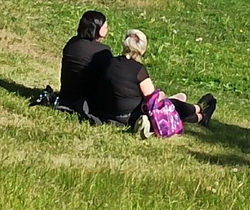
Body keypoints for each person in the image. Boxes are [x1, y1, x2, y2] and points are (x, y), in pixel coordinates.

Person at [87, 29, 215, 132]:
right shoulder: (138, 70)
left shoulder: (110, 62)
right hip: (129, 117)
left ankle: (200, 117)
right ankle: (198, 109)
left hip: (105, 113)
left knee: (171, 105)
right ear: (142, 49)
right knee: (170, 106)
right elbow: (153, 100)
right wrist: (163, 96)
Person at [57, 10, 111, 115]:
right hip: (88, 101)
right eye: (105, 27)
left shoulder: (72, 43)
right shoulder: (103, 51)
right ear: (98, 30)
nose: (107, 29)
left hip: (66, 96)